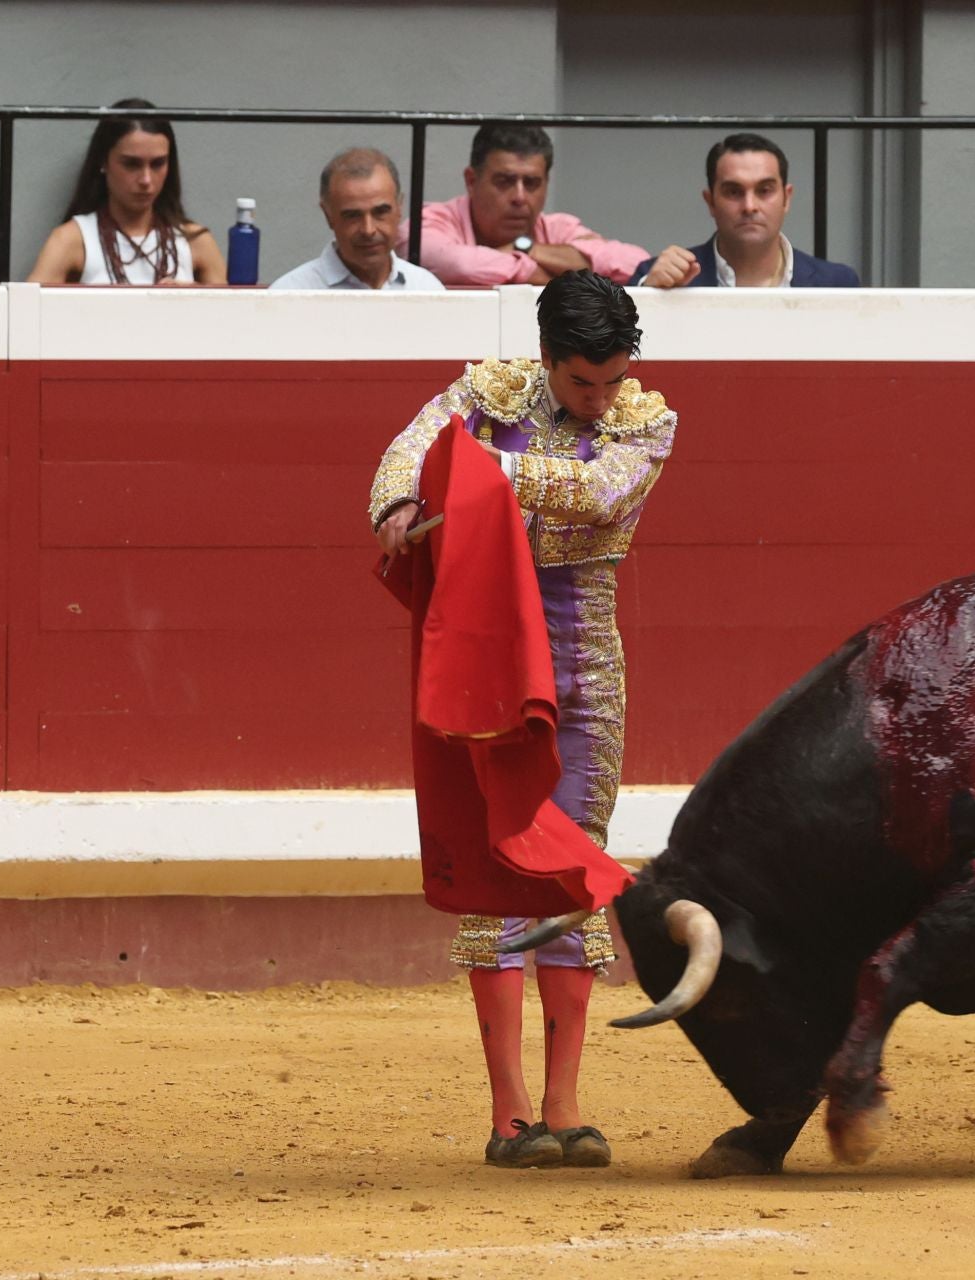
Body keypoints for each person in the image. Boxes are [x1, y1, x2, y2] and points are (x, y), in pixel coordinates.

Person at [368, 271, 676, 1170]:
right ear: (547, 362)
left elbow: (599, 495)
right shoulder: (488, 392)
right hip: (488, 647)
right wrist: (395, 504)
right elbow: (403, 454)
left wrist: (484, 468)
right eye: (585, 384)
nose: (603, 398)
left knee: (572, 862)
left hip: (583, 655)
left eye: (614, 379)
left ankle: (567, 1106)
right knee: (500, 865)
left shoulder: (646, 420)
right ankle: (510, 1116)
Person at [410, 123, 666, 287]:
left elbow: (636, 262)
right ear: (471, 180)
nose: (520, 197)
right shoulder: (433, 222)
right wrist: (558, 272)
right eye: (504, 181)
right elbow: (459, 265)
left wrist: (527, 247)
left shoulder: (558, 228)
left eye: (532, 183)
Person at [27, 98, 224, 286]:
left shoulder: (195, 241)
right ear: (103, 162)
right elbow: (27, 310)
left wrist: (196, 297)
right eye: (131, 164)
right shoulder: (72, 240)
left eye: (158, 164)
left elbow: (232, 315)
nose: (146, 180)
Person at [629, 133, 860, 289]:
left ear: (786, 198)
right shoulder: (657, 278)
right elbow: (612, 355)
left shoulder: (837, 283)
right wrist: (649, 299)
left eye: (765, 190)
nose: (750, 206)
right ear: (710, 202)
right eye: (733, 192)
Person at [269, 148, 443, 291]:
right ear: (328, 216)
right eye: (352, 215)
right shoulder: (291, 295)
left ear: (399, 209)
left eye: (380, 212)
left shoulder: (425, 289)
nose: (368, 230)